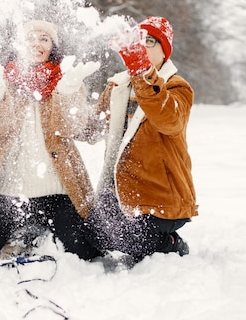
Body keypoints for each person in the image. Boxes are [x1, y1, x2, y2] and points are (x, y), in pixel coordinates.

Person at [0, 20, 102, 264]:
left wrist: (68, 93)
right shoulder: (4, 79)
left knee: (85, 251)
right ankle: (26, 230)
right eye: (31, 38)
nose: (37, 44)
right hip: (9, 191)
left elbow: (69, 127)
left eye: (44, 39)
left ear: (53, 47)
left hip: (56, 190)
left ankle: (39, 232)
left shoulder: (66, 78)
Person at [83, 16, 198, 265]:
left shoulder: (178, 88)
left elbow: (169, 120)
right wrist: (67, 94)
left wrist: (141, 72)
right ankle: (143, 236)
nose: (143, 46)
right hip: (120, 191)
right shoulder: (117, 86)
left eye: (150, 41)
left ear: (164, 50)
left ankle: (170, 243)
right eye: (139, 41)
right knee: (84, 237)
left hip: (161, 196)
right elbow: (89, 131)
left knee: (132, 240)